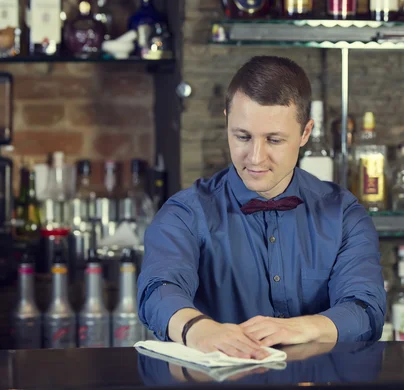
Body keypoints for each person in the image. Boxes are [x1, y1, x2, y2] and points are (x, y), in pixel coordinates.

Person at [137, 55, 385, 360]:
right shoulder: (185, 214)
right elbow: (158, 289)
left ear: (306, 133)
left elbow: (366, 309)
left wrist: (306, 327)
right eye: (242, 136)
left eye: (274, 140)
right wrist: (198, 329)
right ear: (227, 120)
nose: (255, 157)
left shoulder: (344, 215)